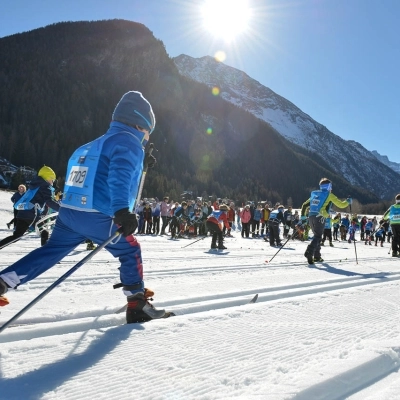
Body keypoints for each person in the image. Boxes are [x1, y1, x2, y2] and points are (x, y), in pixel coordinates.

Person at [0, 91, 168, 323]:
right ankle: (137, 303)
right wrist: (122, 210)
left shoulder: (90, 145)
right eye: (148, 132)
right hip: (99, 215)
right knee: (130, 250)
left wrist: (141, 164)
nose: (147, 139)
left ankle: (4, 281)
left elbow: (96, 173)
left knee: (49, 252)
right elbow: (118, 177)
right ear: (141, 124)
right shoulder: (129, 142)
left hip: (70, 215)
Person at [0, 166, 60, 251]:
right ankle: (46, 254)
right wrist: (62, 209)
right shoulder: (45, 186)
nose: (52, 182)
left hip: (22, 214)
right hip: (33, 215)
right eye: (52, 179)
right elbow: (49, 202)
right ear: (47, 178)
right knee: (44, 232)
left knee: (16, 236)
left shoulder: (34, 185)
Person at [301, 178, 351, 264]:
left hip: (311, 217)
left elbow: (305, 205)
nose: (331, 189)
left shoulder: (315, 194)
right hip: (320, 217)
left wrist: (303, 217)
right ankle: (309, 252)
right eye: (331, 187)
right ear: (328, 187)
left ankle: (317, 256)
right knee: (318, 237)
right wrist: (348, 202)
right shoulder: (329, 195)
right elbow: (341, 205)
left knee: (316, 236)